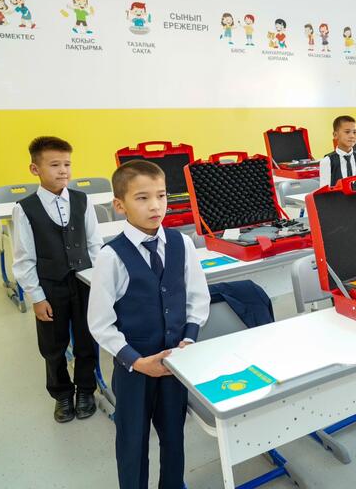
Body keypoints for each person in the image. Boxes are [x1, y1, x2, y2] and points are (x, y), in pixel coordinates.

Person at [87, 160, 210, 488]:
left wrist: (189, 339)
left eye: (161, 195)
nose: (155, 206)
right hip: (134, 369)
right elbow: (100, 323)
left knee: (174, 435)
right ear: (119, 205)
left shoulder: (182, 243)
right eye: (142, 198)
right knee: (133, 441)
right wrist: (138, 362)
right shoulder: (110, 256)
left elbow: (198, 297)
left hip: (174, 363)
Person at [12, 136, 103, 422]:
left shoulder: (82, 200)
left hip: (84, 283)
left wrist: (99, 283)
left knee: (86, 340)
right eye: (54, 165)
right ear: (35, 169)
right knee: (53, 345)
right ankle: (62, 393)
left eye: (67, 164)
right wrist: (36, 297)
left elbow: (94, 245)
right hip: (50, 286)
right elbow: (24, 258)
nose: (63, 170)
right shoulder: (25, 208)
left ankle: (86, 389)